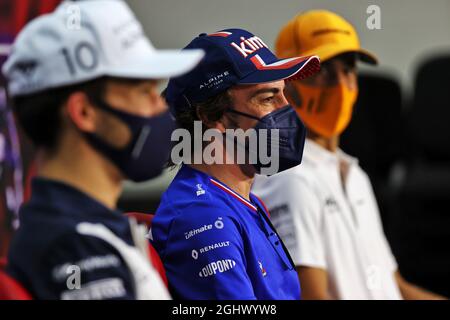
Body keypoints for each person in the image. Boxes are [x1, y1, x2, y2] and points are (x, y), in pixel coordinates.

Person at [2, 0, 203, 300]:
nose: (161, 106)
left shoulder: (91, 231)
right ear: (83, 112)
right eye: (144, 92)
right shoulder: (74, 247)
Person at [252, 10, 446, 300]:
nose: (342, 84)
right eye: (324, 72)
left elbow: (394, 286)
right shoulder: (290, 178)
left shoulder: (354, 174)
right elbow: (309, 296)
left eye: (348, 70)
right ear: (288, 85)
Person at [150, 28, 320, 300]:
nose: (286, 108)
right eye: (267, 98)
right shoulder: (203, 216)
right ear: (210, 115)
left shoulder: (242, 201)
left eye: (284, 94)